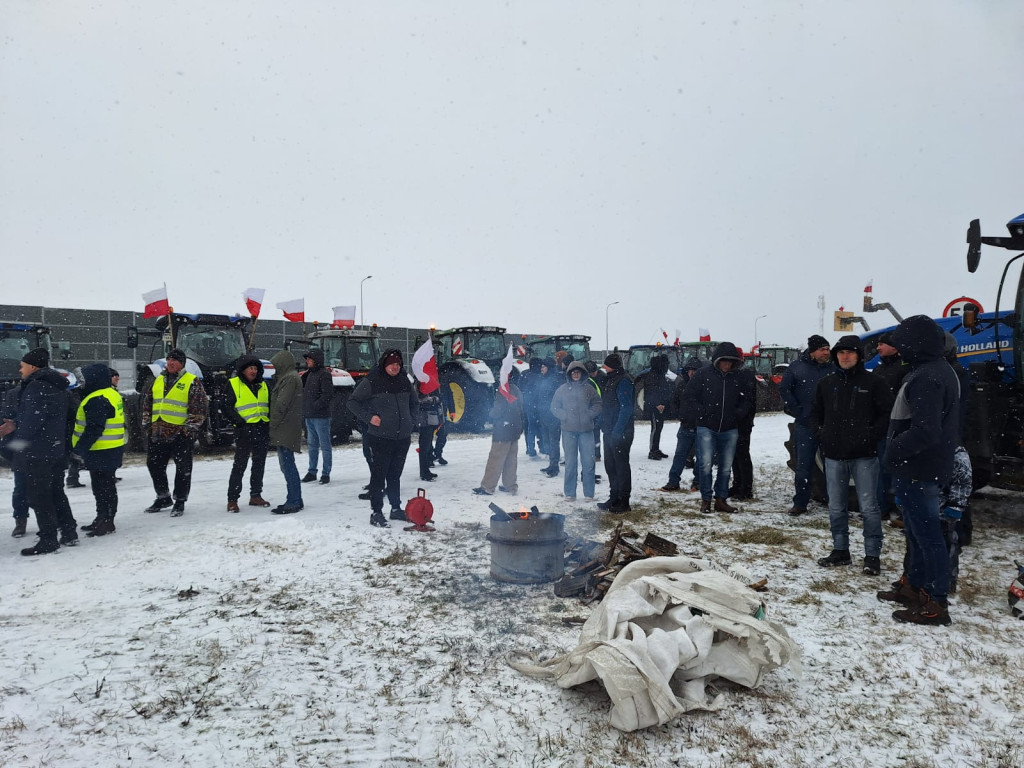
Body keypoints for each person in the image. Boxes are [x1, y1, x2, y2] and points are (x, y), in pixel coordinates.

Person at [878, 315, 960, 626]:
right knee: (916, 532)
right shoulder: (935, 371)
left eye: (903, 343)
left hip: (918, 467)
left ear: (916, 344)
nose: (899, 349)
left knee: (927, 536)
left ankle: (936, 602)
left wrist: (893, 452)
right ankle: (912, 586)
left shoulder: (928, 377)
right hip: (920, 466)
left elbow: (926, 431)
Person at [810, 335, 894, 575]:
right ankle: (840, 550)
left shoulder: (874, 382)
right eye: (841, 352)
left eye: (850, 352)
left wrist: (870, 435)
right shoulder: (826, 384)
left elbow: (886, 415)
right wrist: (821, 433)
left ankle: (872, 555)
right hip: (834, 456)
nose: (845, 356)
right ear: (836, 356)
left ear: (858, 355)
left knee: (869, 507)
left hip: (864, 456)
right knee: (836, 506)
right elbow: (815, 413)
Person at [0, 348, 77, 555]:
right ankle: (69, 532)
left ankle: (48, 539)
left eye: (22, 365)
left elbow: (31, 422)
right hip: (56, 449)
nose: (20, 369)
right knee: (55, 492)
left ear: (33, 367)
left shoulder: (36, 387)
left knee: (38, 497)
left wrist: (13, 445)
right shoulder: (59, 387)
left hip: (38, 453)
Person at [347, 349, 419, 528]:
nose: (395, 367)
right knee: (378, 476)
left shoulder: (404, 381)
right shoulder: (372, 381)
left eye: (398, 364)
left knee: (395, 475)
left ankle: (395, 508)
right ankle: (376, 512)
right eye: (391, 364)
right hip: (380, 438)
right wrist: (369, 417)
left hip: (402, 438)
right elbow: (352, 402)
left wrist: (412, 421)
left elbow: (414, 403)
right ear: (384, 364)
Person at [682, 342, 753, 514]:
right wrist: (702, 411)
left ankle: (721, 499)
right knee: (705, 465)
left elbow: (747, 398)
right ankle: (706, 499)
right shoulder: (703, 374)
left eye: (731, 361)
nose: (727, 365)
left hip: (730, 428)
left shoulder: (738, 377)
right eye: (724, 361)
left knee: (725, 466)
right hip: (707, 427)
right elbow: (689, 396)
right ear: (718, 360)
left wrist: (738, 413)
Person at [142, 348, 208, 517]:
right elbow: (147, 404)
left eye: (174, 360)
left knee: (183, 469)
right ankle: (163, 497)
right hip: (157, 432)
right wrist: (147, 424)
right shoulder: (157, 380)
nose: (170, 363)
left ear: (182, 364)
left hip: (180, 434)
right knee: (154, 465)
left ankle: (180, 501)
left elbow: (199, 409)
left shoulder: (192, 382)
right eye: (168, 359)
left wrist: (188, 430)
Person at [779, 335, 834, 516]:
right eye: (822, 349)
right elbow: (785, 389)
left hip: (828, 425)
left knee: (832, 466)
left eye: (828, 349)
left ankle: (834, 501)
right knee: (804, 466)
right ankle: (800, 503)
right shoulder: (797, 368)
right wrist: (798, 410)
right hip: (805, 425)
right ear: (812, 351)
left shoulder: (833, 368)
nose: (826, 352)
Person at [72, 362, 125, 537]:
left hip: (102, 449)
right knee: (103, 486)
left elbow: (95, 428)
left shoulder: (97, 398)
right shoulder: (108, 393)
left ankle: (107, 520)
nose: (81, 383)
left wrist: (79, 450)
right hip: (109, 449)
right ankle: (102, 517)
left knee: (104, 487)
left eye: (83, 379)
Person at [225, 355, 272, 512]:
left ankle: (255, 495)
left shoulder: (264, 384)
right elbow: (226, 407)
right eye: (250, 368)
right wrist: (239, 422)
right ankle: (232, 499)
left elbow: (270, 404)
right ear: (243, 370)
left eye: (255, 368)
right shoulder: (233, 384)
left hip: (262, 428)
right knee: (240, 465)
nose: (253, 371)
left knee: (259, 464)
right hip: (244, 430)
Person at [550, 361, 603, 501]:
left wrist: (590, 414)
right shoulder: (562, 389)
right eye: (573, 372)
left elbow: (598, 404)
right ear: (569, 374)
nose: (576, 375)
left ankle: (589, 494)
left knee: (588, 463)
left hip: (586, 431)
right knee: (570, 463)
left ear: (583, 373)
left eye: (578, 372)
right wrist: (564, 416)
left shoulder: (589, 389)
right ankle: (570, 493)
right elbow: (554, 407)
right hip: (568, 431)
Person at [872, 332, 909, 519]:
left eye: (882, 344)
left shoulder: (904, 370)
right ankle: (882, 507)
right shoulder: (879, 370)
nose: (878, 348)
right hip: (881, 428)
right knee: (881, 469)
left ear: (894, 347)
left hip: (898, 428)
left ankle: (902, 509)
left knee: (899, 470)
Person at [473, 369, 524, 496]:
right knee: (511, 459)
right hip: (514, 427)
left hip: (503, 429)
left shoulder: (503, 390)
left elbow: (498, 410)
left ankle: (487, 486)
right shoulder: (516, 388)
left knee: (496, 458)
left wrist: (490, 414)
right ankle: (510, 485)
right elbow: (521, 408)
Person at [597, 353, 634, 513]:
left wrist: (618, 431)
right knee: (610, 465)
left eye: (606, 365)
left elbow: (626, 408)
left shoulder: (623, 381)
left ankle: (624, 500)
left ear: (612, 366)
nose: (603, 368)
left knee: (621, 466)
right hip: (609, 430)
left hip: (620, 432)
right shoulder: (611, 379)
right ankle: (614, 497)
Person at [269, 349, 304, 514]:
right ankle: (296, 498)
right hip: (287, 427)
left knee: (288, 465)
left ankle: (294, 501)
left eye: (276, 366)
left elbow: (281, 405)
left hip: (285, 428)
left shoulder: (289, 379)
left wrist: (272, 424)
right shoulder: (288, 377)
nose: (275, 369)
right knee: (287, 465)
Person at [660, 357, 703, 492]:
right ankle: (673, 482)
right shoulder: (681, 385)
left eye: (694, 371)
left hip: (700, 427)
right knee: (680, 456)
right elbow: (674, 401)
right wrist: (679, 414)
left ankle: (697, 482)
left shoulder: (704, 387)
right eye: (689, 370)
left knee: (701, 457)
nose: (691, 373)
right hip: (685, 426)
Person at [300, 349, 334, 485]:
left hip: (321, 417)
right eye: (306, 359)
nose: (307, 361)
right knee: (312, 445)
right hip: (309, 416)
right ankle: (312, 471)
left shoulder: (324, 375)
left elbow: (327, 395)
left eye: (309, 359)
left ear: (316, 360)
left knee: (325, 445)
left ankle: (325, 473)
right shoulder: (309, 375)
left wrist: (315, 405)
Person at [2, 380, 30, 537]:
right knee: (21, 488)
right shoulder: (14, 393)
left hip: (38, 446)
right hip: (20, 446)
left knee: (48, 487)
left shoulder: (49, 391)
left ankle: (55, 519)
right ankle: (20, 520)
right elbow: (7, 419)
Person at [729, 355, 758, 500]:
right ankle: (737, 484)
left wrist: (738, 414)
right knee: (735, 455)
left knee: (742, 455)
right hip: (736, 421)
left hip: (742, 423)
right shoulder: (736, 374)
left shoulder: (744, 375)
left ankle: (746, 488)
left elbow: (747, 401)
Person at [535, 359, 561, 476]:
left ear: (549, 368)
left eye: (544, 366)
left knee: (553, 441)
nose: (541, 368)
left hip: (553, 416)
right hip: (544, 414)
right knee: (548, 442)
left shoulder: (555, 379)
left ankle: (554, 466)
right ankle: (551, 464)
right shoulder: (543, 379)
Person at [644, 354, 672, 460]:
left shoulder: (659, 375)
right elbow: (651, 391)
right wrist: (657, 404)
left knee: (658, 427)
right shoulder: (653, 375)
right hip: (655, 407)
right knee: (656, 428)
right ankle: (652, 450)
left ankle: (656, 448)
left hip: (660, 406)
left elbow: (662, 390)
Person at [417, 382, 443, 482]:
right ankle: (424, 472)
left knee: (426, 446)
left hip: (429, 418)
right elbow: (420, 399)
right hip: (424, 419)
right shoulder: (421, 382)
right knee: (424, 446)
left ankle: (425, 470)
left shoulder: (428, 381)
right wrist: (435, 399)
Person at [519, 357, 543, 458]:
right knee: (540, 427)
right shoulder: (541, 375)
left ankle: (530, 448)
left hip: (527, 405)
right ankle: (542, 447)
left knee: (529, 427)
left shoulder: (524, 374)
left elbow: (519, 387)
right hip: (539, 405)